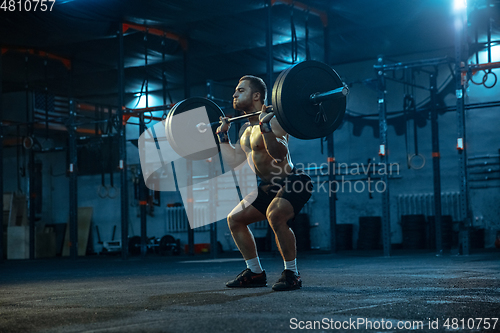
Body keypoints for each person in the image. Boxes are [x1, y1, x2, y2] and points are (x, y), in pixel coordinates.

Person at [217, 75, 312, 291]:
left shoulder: (275, 120)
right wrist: (223, 137)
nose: (234, 94)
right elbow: (235, 162)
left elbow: (279, 154)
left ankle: (292, 274)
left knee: (275, 214)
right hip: (269, 186)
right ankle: (255, 273)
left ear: (257, 95)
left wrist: (265, 126)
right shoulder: (243, 131)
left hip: (293, 180)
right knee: (235, 219)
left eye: (240, 90)